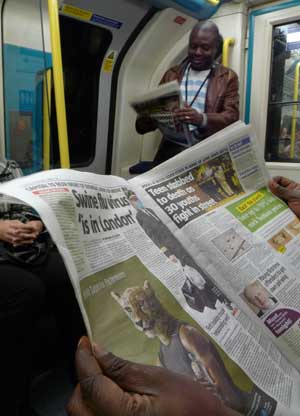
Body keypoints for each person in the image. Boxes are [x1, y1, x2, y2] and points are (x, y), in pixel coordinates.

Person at [66, 175, 300, 416]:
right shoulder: (161, 355)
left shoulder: (186, 334)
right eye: (131, 310)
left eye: (143, 306)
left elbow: (230, 396)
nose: (137, 317)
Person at [0, 158, 85, 416]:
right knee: (27, 291)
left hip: (20, 245)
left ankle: (82, 373)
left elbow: (27, 203)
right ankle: (12, 403)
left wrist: (37, 222)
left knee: (69, 274)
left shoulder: (6, 164)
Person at [136, 21, 239, 165]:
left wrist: (201, 119)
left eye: (205, 48)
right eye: (193, 46)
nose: (197, 52)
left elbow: (232, 117)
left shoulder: (228, 77)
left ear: (216, 49)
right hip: (170, 151)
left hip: (206, 151)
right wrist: (150, 117)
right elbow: (143, 126)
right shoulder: (171, 74)